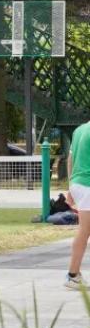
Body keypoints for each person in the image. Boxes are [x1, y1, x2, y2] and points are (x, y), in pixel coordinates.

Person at [65, 118, 90, 289]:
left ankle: (74, 275)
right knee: (84, 230)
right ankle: (73, 275)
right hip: (88, 184)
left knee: (85, 229)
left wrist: (70, 186)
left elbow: (70, 159)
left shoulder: (79, 129)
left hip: (78, 183)